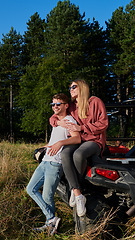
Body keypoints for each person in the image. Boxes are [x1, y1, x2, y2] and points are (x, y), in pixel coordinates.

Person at [49, 79, 108, 217]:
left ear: (82, 87)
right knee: (65, 154)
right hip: (78, 139)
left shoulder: (95, 101)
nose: (71, 90)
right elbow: (53, 117)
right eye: (70, 88)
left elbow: (103, 123)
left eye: (74, 87)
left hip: (94, 140)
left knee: (79, 155)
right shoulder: (71, 106)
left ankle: (76, 187)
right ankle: (77, 193)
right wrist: (58, 122)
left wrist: (81, 127)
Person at [27, 93, 81, 235]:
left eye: (58, 104)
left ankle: (51, 224)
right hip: (45, 161)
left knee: (47, 196)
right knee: (30, 189)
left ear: (66, 105)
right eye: (53, 104)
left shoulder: (69, 120)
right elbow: (54, 140)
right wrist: (44, 148)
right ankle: (51, 219)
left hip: (55, 163)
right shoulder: (56, 121)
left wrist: (61, 143)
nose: (55, 106)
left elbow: (76, 139)